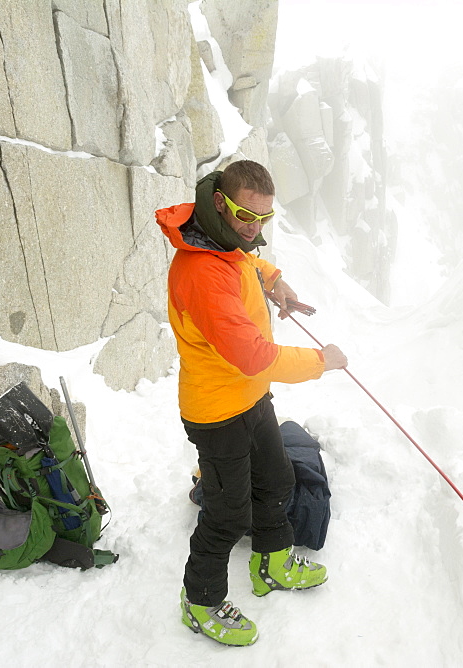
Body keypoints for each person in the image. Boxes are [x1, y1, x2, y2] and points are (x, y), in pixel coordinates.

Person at [155, 159, 347, 647]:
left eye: (264, 218)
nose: (255, 229)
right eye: (246, 216)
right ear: (219, 202)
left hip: (252, 399)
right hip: (217, 413)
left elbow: (247, 262)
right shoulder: (200, 272)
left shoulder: (224, 240)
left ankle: (273, 562)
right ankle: (200, 602)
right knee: (227, 513)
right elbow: (252, 356)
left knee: (277, 479)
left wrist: (275, 280)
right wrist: (321, 361)